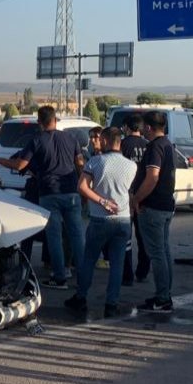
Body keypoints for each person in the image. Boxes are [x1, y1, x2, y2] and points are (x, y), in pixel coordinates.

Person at [0, 105, 85, 289]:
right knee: (76, 235)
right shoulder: (71, 138)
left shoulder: (37, 140)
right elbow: (80, 164)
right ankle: (84, 274)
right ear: (55, 120)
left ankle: (59, 278)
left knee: (55, 237)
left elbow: (20, 165)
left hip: (49, 193)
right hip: (72, 192)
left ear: (39, 122)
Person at [65, 128, 136, 319]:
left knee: (89, 259)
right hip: (123, 220)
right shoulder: (131, 166)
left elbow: (82, 187)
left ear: (105, 140)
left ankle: (81, 297)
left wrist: (102, 201)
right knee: (117, 263)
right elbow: (129, 192)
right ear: (119, 142)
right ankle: (111, 303)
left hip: (100, 219)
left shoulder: (96, 162)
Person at [130, 111, 177, 312]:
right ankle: (164, 294)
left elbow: (153, 177)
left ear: (149, 127)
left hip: (153, 206)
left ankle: (163, 297)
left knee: (157, 253)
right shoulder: (168, 145)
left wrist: (136, 199)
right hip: (165, 205)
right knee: (164, 251)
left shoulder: (155, 147)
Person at [120, 114, 149, 285]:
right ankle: (143, 271)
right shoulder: (148, 145)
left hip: (127, 195)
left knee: (126, 237)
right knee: (143, 236)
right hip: (144, 194)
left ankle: (127, 274)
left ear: (126, 127)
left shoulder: (123, 145)